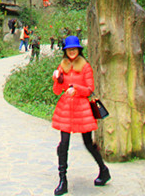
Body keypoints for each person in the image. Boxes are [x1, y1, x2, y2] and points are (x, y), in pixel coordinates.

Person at [51, 35, 111, 194]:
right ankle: (62, 180)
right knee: (63, 144)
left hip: (81, 109)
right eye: (69, 49)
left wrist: (76, 88)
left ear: (78, 49)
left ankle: (103, 170)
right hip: (66, 109)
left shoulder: (85, 66)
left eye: (74, 49)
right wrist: (57, 80)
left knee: (88, 143)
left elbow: (90, 88)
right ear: (65, 51)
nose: (71, 51)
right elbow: (57, 91)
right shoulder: (62, 66)